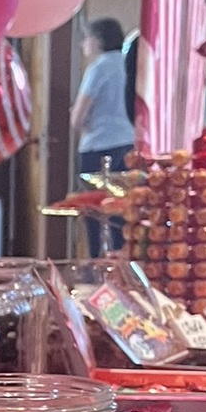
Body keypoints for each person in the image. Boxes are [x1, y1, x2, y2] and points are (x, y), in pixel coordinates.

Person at [72, 16, 134, 255]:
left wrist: (80, 119)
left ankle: (98, 270)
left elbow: (78, 117)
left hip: (98, 147)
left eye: (85, 38)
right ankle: (123, 269)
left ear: (97, 40)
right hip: (128, 143)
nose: (83, 45)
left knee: (96, 214)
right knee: (122, 212)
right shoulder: (129, 62)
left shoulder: (98, 67)